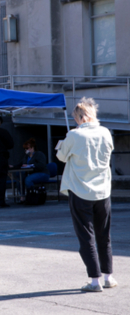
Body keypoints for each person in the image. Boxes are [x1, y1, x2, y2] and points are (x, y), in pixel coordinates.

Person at [56, 97, 117, 292]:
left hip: (80, 190)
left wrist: (62, 143)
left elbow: (61, 156)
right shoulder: (106, 132)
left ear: (81, 117)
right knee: (104, 235)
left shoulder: (74, 135)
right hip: (103, 190)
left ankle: (94, 281)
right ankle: (109, 277)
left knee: (86, 237)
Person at [12, 138, 49, 202]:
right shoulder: (26, 157)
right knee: (19, 179)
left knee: (28, 179)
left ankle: (32, 196)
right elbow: (20, 164)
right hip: (31, 173)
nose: (27, 150)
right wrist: (12, 166)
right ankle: (22, 196)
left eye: (28, 148)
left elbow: (41, 165)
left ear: (33, 147)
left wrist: (31, 165)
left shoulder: (39, 154)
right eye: (26, 149)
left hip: (42, 173)